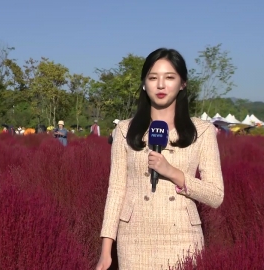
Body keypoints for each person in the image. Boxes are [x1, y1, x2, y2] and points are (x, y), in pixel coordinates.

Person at [96, 48, 224, 270]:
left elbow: (216, 195)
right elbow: (116, 191)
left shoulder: (202, 131)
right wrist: (106, 250)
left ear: (183, 83)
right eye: (153, 77)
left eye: (170, 77)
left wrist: (172, 172)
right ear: (145, 83)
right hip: (134, 238)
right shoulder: (125, 130)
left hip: (183, 237)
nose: (161, 85)